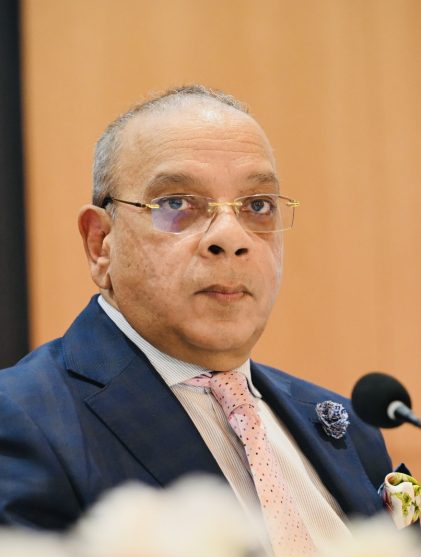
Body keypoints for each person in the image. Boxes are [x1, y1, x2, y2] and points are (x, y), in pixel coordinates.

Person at [0, 85, 392, 551]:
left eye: (257, 206)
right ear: (101, 243)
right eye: (176, 204)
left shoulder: (349, 427)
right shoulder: (22, 421)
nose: (231, 238)